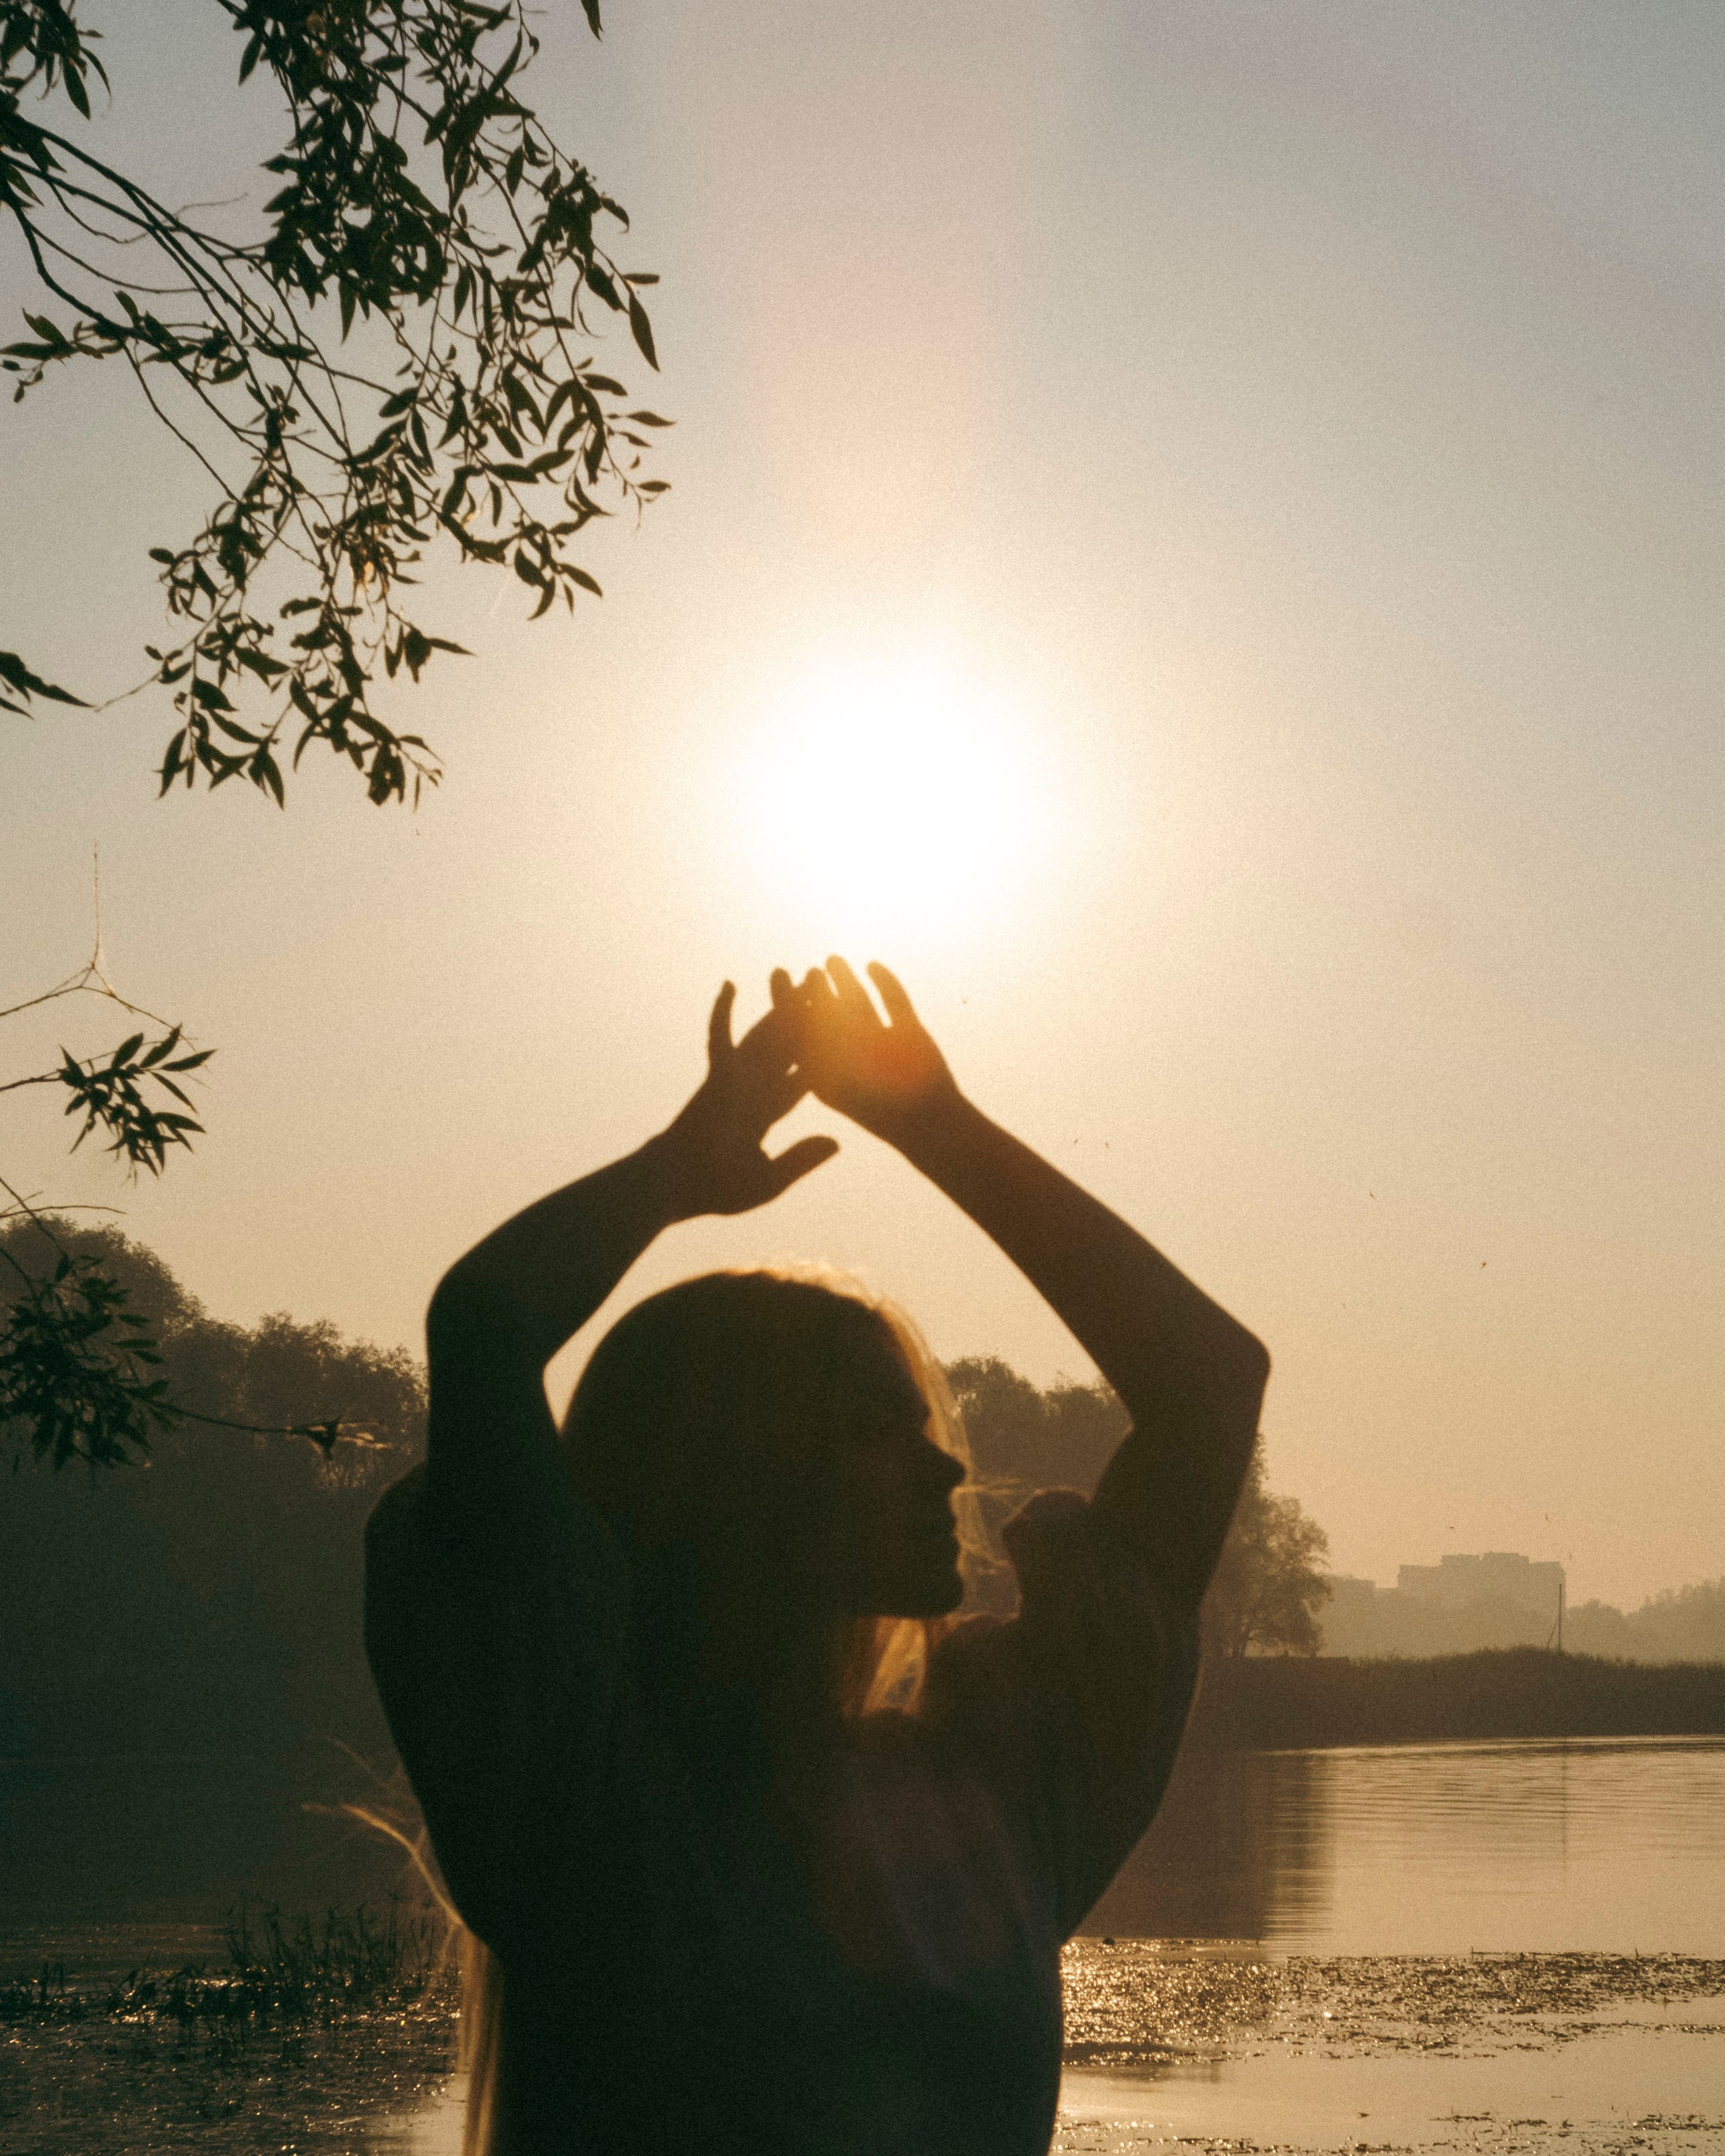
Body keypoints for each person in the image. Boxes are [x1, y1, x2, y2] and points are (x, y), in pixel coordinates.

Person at [365, 958, 1269, 2156]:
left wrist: (939, 1123)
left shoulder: (988, 1785)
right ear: (726, 1468)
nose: (943, 1469)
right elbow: (482, 1329)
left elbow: (1215, 1388)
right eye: (872, 1430)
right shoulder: (580, 1788)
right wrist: (676, 1171)